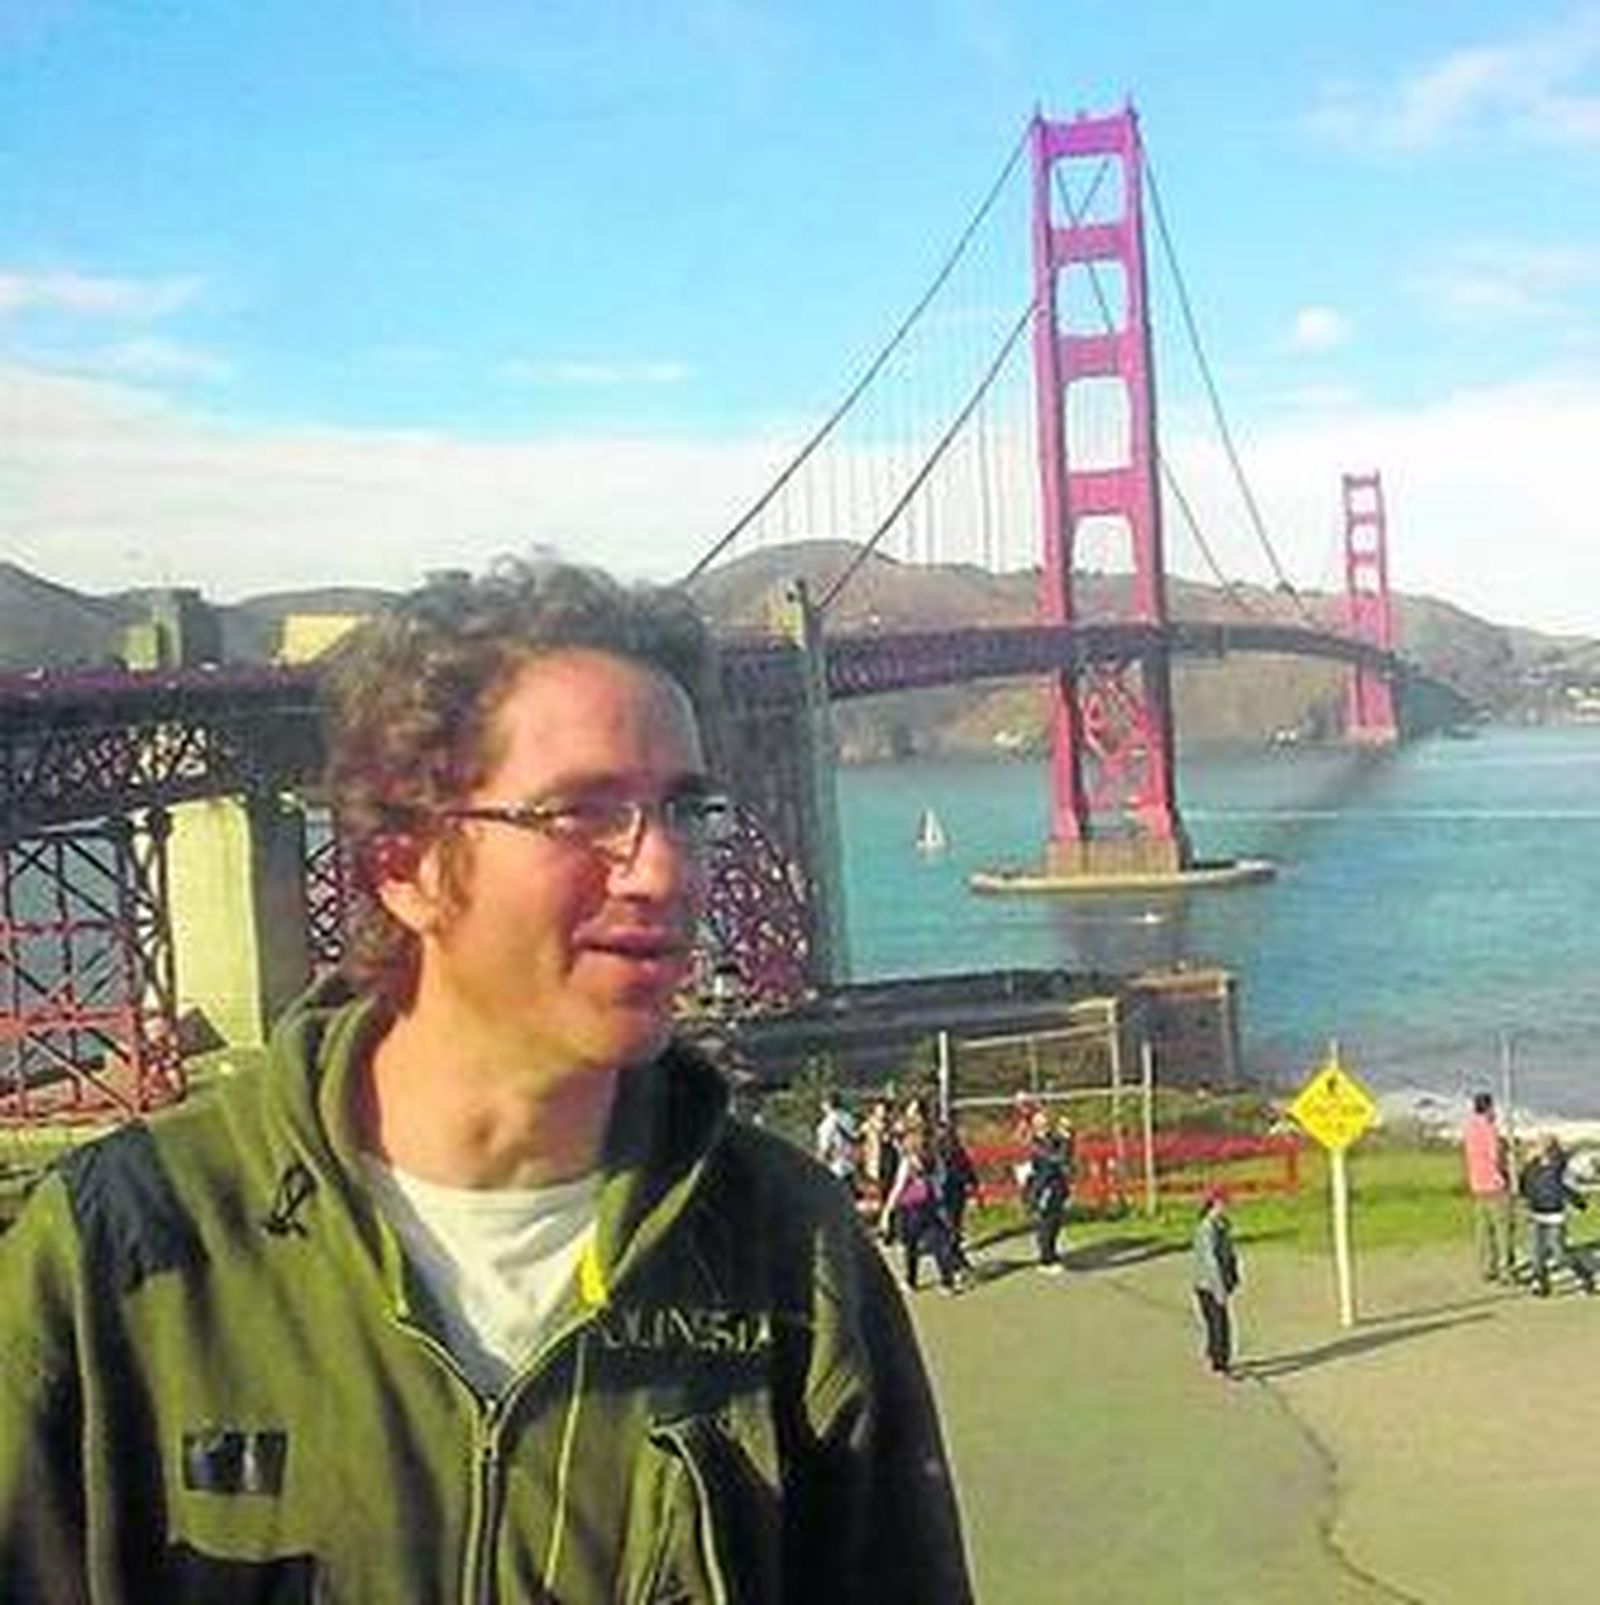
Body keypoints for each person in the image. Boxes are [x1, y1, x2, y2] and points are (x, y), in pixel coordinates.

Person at [0, 559, 973, 1603]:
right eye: (582, 813)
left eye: (685, 810)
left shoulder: (789, 1245)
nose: (664, 871)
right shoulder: (116, 1252)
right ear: (402, 865)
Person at [881, 1125, 963, 1295]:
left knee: (911, 1247)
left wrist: (887, 1211)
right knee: (939, 1244)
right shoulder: (935, 1159)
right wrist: (940, 1204)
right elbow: (940, 1182)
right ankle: (947, 1282)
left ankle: (910, 1281)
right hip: (930, 1206)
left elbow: (898, 1187)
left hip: (911, 1208)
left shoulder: (909, 1161)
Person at [1518, 1133, 1597, 1297]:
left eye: (1543, 1145)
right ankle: (1541, 1283)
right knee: (1535, 1253)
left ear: (1551, 1149)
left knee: (1559, 1254)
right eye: (1537, 1145)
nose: (1538, 1148)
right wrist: (1525, 1201)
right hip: (1535, 1215)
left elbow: (1565, 1188)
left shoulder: (1559, 1167)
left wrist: (1578, 1202)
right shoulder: (1530, 1167)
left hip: (1555, 1216)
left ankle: (1585, 1275)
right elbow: (1524, 1186)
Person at [1461, 1090, 1515, 1283]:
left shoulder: (1468, 1128)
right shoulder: (1489, 1128)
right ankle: (1505, 1271)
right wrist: (1506, 1174)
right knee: (1503, 1229)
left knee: (1483, 1230)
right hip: (1495, 1185)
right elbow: (1495, 1157)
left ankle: (1486, 1268)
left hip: (1477, 1185)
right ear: (1489, 1107)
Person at [1192, 1186, 1242, 1375]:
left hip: (1218, 1281)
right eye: (1222, 1204)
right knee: (1218, 1322)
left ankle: (1216, 1354)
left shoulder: (1222, 1225)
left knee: (1218, 1321)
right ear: (1213, 1204)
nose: (1225, 1207)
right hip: (1208, 1284)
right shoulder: (1206, 1229)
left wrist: (1233, 1273)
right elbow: (1210, 1260)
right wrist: (1219, 1288)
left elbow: (1229, 1252)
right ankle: (1220, 1361)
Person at [1023, 1108, 1073, 1274]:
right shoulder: (1035, 1143)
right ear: (1035, 1126)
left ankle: (1052, 1254)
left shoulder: (1053, 1139)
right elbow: (1054, 1158)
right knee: (1045, 1223)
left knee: (1055, 1222)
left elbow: (1066, 1157)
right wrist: (1064, 1140)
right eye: (1040, 1123)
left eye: (1045, 1123)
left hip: (1057, 1185)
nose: (1044, 1126)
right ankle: (1045, 1259)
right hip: (1042, 1186)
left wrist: (1067, 1136)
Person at [814, 1089, 861, 1195]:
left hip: (835, 1167)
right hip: (850, 1164)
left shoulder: (827, 1124)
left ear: (826, 1104)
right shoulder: (848, 1118)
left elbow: (824, 1149)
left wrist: (816, 1167)